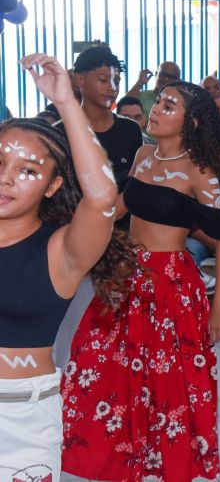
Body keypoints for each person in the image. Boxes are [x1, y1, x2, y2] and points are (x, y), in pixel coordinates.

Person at [62, 80, 220, 481]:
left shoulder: (200, 172)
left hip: (172, 286)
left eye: (169, 104)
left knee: (169, 385)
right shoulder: (144, 155)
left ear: (191, 121)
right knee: (101, 366)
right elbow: (117, 210)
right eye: (159, 102)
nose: (156, 109)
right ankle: (121, 458)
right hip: (127, 278)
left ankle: (167, 464)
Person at [0, 53, 133, 482]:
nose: (6, 178)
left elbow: (102, 200)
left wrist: (66, 104)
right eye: (0, 164)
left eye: (28, 170)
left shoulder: (59, 252)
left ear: (54, 185)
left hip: (22, 418)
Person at [72, 46, 143, 190]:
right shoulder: (61, 132)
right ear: (79, 80)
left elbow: (135, 186)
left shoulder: (130, 129)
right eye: (104, 80)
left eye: (116, 81)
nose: (112, 88)